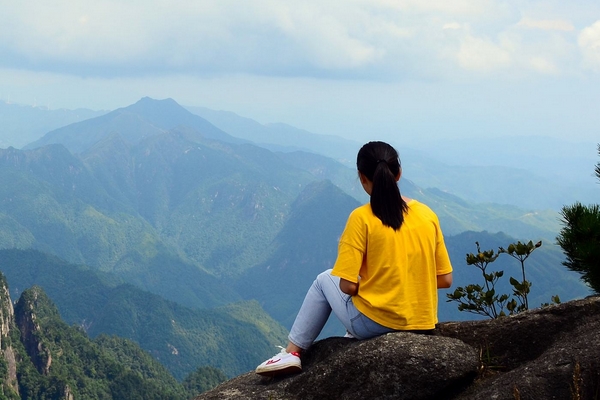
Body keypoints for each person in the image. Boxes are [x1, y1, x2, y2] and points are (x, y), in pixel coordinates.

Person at [255, 141, 453, 377]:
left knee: (323, 280)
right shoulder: (427, 215)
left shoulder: (362, 218)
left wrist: (376, 286)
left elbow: (347, 285)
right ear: (398, 174)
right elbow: (445, 279)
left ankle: (292, 352)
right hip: (422, 322)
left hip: (374, 324)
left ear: (362, 178)